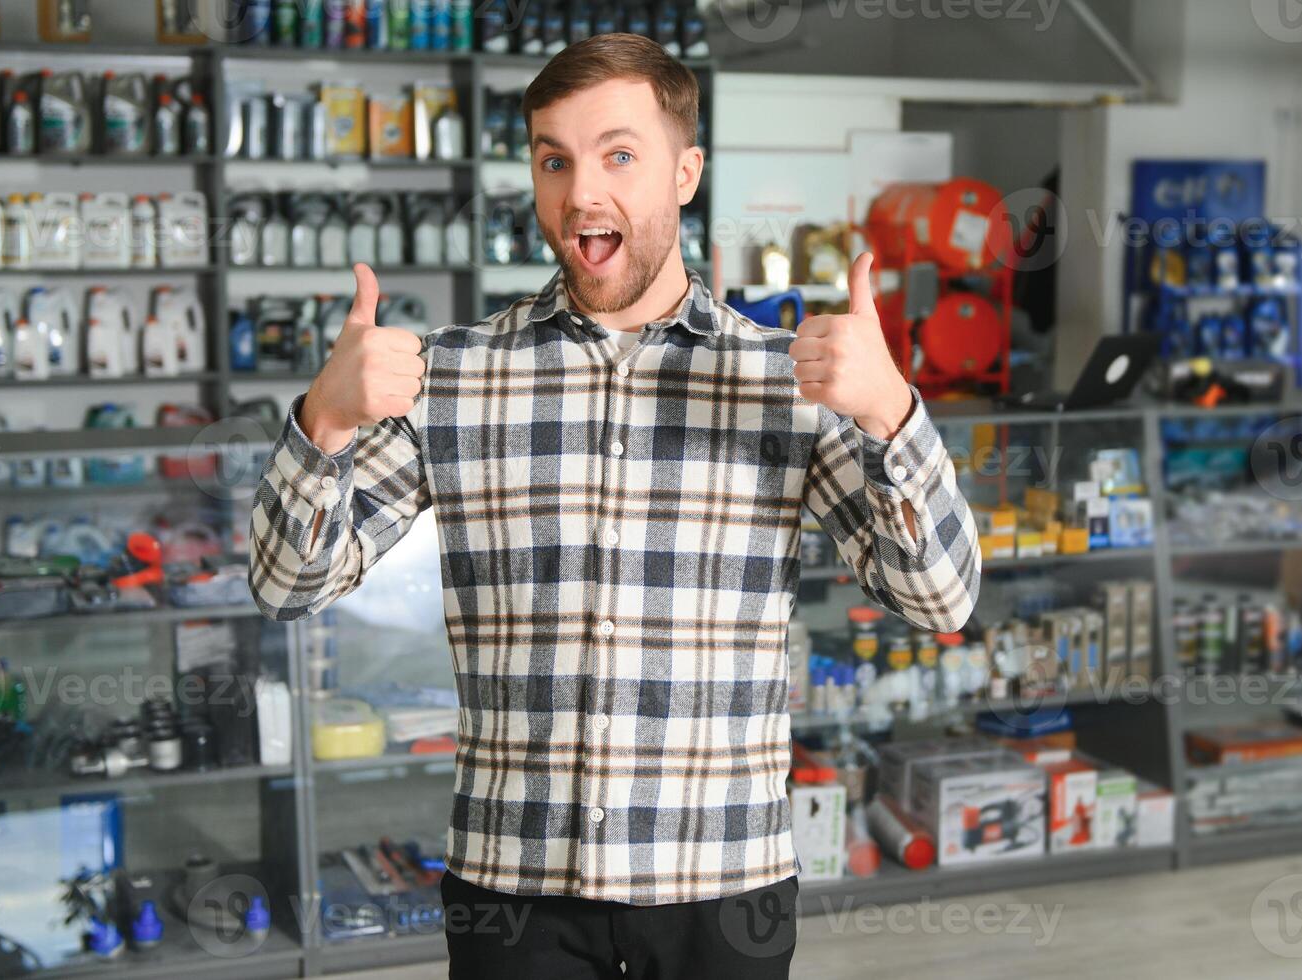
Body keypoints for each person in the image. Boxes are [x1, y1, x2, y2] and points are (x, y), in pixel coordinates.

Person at [249, 32, 980, 980]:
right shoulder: (456, 375)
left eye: (619, 155)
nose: (581, 194)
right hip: (514, 889)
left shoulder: (783, 380)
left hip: (719, 883)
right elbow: (284, 585)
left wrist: (890, 413)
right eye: (555, 159)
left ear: (685, 171)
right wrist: (324, 422)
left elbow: (942, 600)